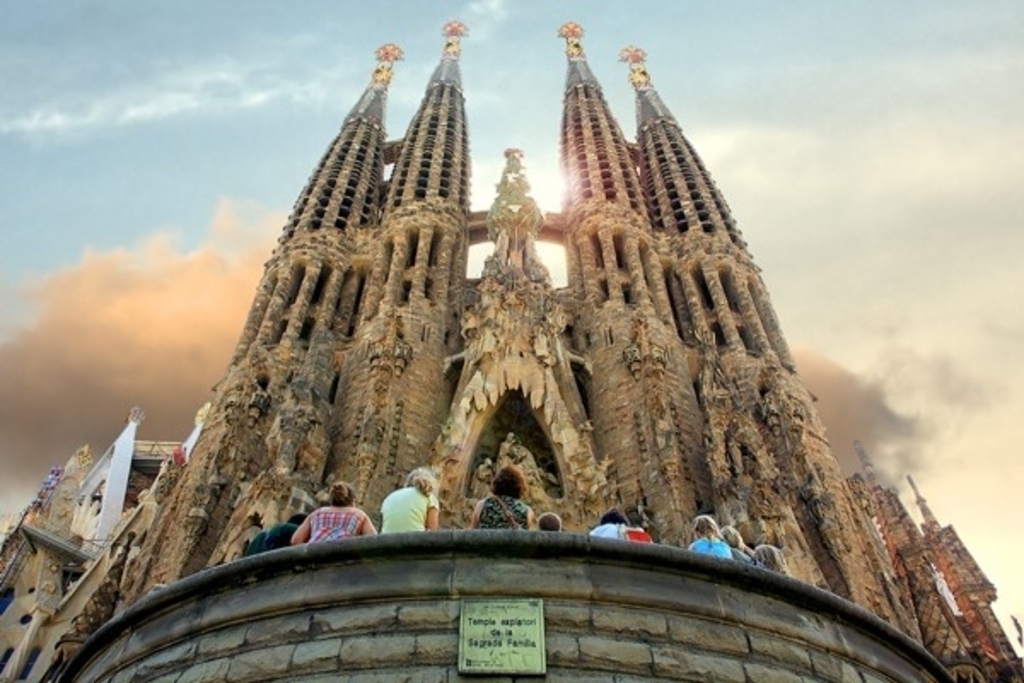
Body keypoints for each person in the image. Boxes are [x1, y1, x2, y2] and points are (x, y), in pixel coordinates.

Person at [291, 481, 376, 544]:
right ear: (353, 502)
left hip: (314, 555)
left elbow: (296, 540)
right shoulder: (358, 514)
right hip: (340, 558)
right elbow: (373, 540)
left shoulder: (316, 513)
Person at [470, 464, 535, 529]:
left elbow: (471, 535)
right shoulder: (527, 512)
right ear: (519, 486)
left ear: (497, 483)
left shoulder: (481, 505)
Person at [380, 466, 440, 533]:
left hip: (387, 542)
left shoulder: (389, 498)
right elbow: (432, 533)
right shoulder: (429, 497)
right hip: (414, 541)